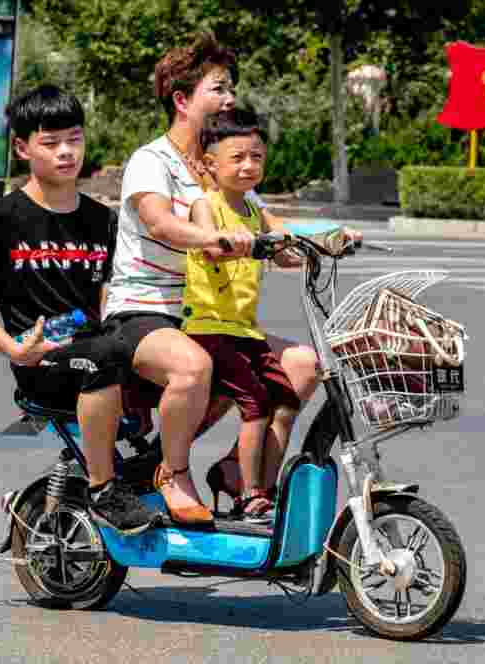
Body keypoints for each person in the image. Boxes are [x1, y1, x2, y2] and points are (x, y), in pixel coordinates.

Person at [103, 32, 322, 526]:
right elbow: (159, 222)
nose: (230, 99)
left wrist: (328, 238)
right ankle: (172, 471)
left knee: (303, 366)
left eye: (231, 89)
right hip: (145, 310)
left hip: (213, 316)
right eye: (218, 88)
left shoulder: (228, 164)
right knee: (195, 364)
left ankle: (239, 474)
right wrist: (213, 239)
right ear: (182, 100)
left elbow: (280, 239)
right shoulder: (150, 161)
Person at [0, 85, 159, 536]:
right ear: (23, 148)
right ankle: (104, 488)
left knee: (204, 359)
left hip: (98, 347)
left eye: (75, 139)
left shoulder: (102, 220)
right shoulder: (2, 217)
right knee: (102, 357)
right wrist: (14, 349)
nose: (66, 152)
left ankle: (159, 466)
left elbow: (111, 297)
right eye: (51, 143)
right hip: (43, 358)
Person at [182, 108, 301, 522]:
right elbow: (210, 245)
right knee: (254, 402)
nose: (249, 165)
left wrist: (330, 239)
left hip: (245, 331)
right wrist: (228, 240)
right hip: (208, 328)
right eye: (238, 157)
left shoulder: (254, 209)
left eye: (257, 157)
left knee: (285, 400)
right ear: (209, 163)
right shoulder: (206, 205)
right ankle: (249, 494)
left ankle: (260, 485)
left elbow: (287, 243)